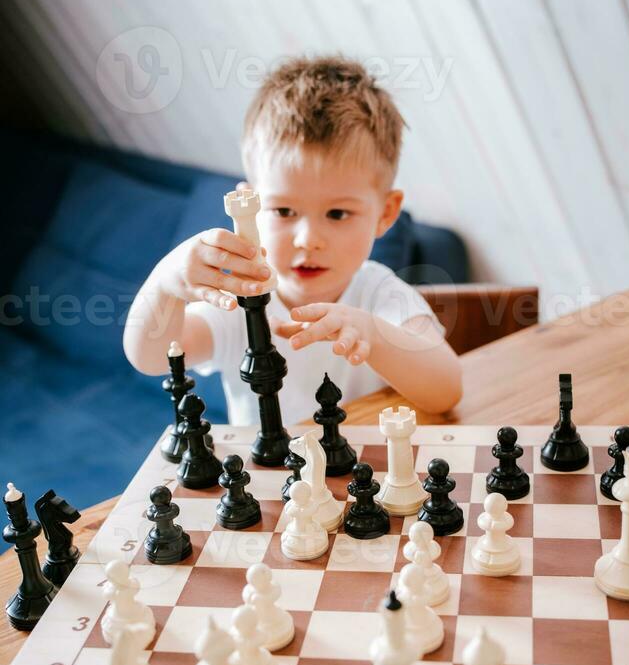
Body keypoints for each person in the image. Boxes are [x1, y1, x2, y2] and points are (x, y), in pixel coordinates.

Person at [124, 55, 463, 424]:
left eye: (337, 214)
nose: (308, 240)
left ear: (385, 213)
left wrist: (374, 335)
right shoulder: (240, 303)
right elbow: (151, 358)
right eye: (284, 211)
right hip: (267, 479)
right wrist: (164, 284)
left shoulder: (381, 294)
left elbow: (446, 390)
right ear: (251, 206)